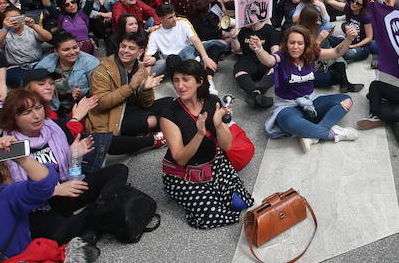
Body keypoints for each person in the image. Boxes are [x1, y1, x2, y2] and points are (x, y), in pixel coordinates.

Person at [0, 88, 125, 250]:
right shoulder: (7, 145)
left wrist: (75, 157)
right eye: (27, 112)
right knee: (55, 234)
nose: (36, 116)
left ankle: (95, 217)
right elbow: (14, 195)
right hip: (39, 205)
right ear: (13, 118)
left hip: (68, 188)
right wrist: (56, 189)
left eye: (38, 108)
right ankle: (101, 216)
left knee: (119, 170)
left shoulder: (53, 129)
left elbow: (72, 174)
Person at [159, 59, 254, 229]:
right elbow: (180, 159)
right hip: (184, 174)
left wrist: (218, 125)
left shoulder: (211, 101)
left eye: (186, 79)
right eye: (176, 80)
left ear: (199, 81)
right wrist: (200, 133)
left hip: (214, 162)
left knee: (241, 203)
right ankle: (178, 192)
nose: (180, 86)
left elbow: (226, 146)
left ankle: (212, 192)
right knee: (214, 215)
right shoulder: (169, 115)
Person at [249, 24, 359, 153]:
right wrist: (259, 50)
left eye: (300, 43)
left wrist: (349, 38)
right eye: (292, 43)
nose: (295, 47)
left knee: (347, 101)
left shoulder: (311, 54)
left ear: (305, 44)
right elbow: (269, 61)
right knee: (289, 123)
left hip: (311, 100)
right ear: (286, 43)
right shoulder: (281, 57)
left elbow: (336, 52)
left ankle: (312, 135)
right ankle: (333, 134)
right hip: (288, 105)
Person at [89, 30, 168, 155]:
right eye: (123, 46)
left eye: (131, 48)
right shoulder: (102, 70)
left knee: (169, 102)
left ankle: (165, 126)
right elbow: (101, 103)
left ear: (140, 52)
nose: (125, 51)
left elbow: (147, 103)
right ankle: (161, 133)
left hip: (133, 109)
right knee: (150, 120)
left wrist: (145, 90)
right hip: (112, 113)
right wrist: (130, 87)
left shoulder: (140, 69)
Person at [34, 31, 100, 116]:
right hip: (53, 107)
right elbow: (33, 84)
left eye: (75, 47)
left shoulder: (91, 62)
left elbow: (98, 89)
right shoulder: (46, 63)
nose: (72, 52)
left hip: (81, 107)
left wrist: (82, 93)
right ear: (56, 52)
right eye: (66, 50)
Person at [146, 4, 218, 77]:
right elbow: (147, 56)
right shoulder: (154, 34)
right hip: (173, 61)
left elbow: (195, 39)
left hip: (190, 53)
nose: (174, 19)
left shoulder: (183, 21)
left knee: (214, 47)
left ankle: (209, 78)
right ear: (161, 19)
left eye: (174, 15)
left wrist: (205, 57)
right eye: (170, 17)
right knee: (172, 59)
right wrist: (151, 60)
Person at [233, 18, 279, 107]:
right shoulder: (244, 30)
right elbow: (236, 50)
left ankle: (258, 91)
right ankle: (256, 93)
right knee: (239, 72)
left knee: (276, 68)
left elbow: (275, 52)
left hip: (264, 59)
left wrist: (275, 64)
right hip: (248, 60)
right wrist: (234, 38)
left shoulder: (269, 29)